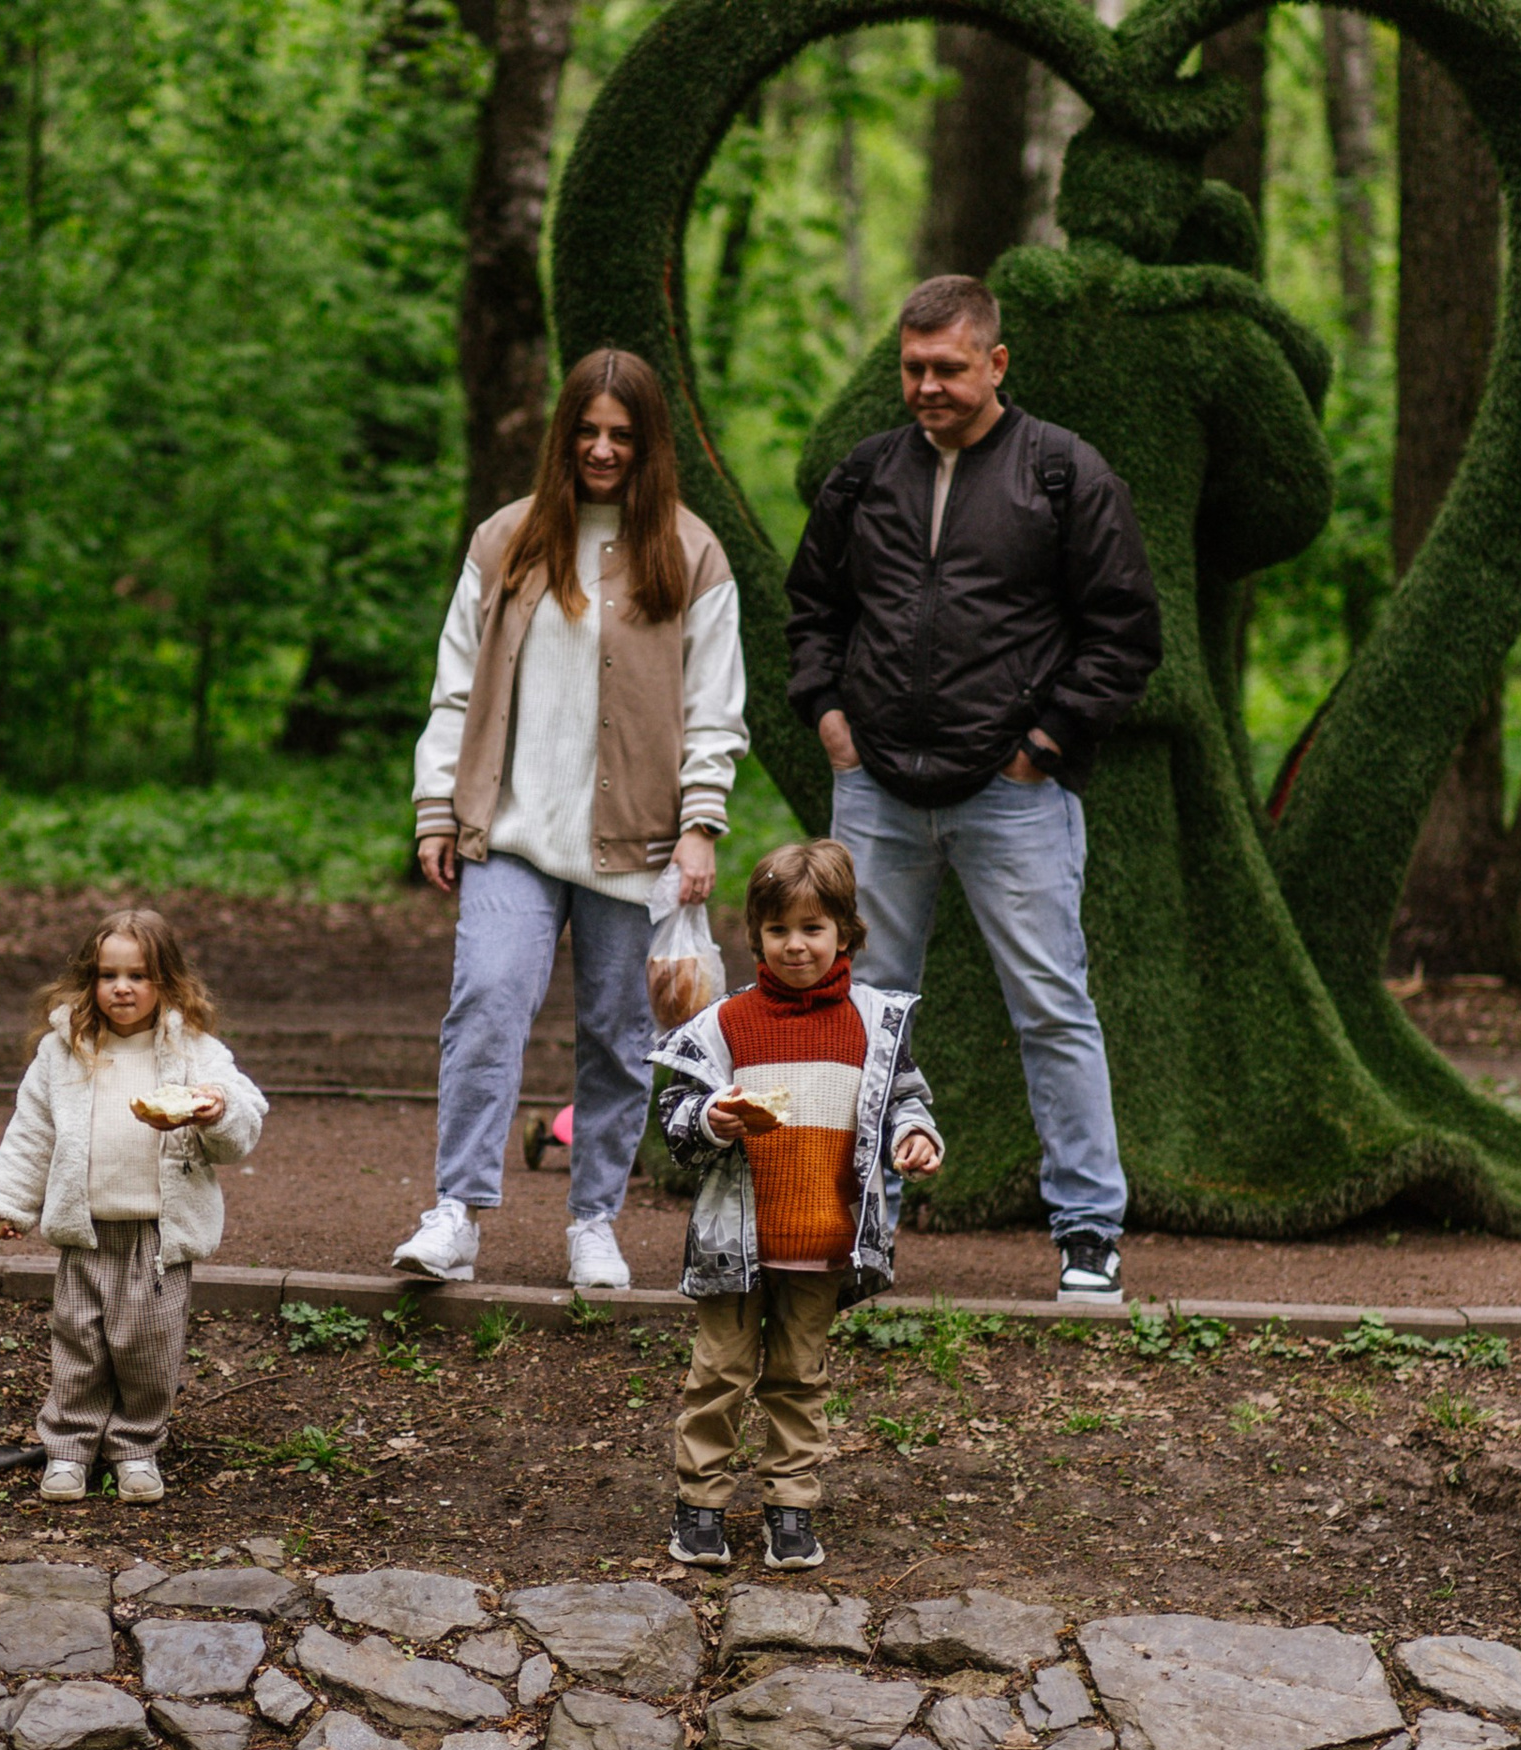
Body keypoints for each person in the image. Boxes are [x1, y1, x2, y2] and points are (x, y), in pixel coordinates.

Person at [786, 271, 1161, 1304]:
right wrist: (828, 718)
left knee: (1050, 1004)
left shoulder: (1062, 475)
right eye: (912, 366)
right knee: (860, 1011)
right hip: (876, 793)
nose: (926, 386)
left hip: (1013, 797)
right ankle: (863, 1224)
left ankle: (1088, 1233)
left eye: (947, 367)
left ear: (995, 363)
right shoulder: (864, 477)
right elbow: (810, 610)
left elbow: (1125, 633)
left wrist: (1038, 746)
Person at [398, 345, 749, 1292]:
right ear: (564, 435)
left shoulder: (691, 550)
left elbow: (717, 704)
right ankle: (457, 1213)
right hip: (510, 834)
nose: (601, 450)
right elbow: (453, 688)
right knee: (486, 1005)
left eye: (621, 436)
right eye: (587, 432)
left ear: (648, 445)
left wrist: (701, 823)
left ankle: (594, 1219)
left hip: (634, 844)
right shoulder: (505, 540)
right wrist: (439, 808)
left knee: (618, 1035)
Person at [652, 839, 938, 1571]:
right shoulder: (727, 1023)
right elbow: (677, 1114)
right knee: (717, 1374)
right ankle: (701, 1505)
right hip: (736, 1240)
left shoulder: (874, 1023)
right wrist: (715, 1119)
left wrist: (914, 1136)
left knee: (799, 1377)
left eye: (812, 929)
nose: (796, 945)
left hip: (825, 1236)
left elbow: (903, 1099)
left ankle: (791, 1506)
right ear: (757, 936)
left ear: (847, 932)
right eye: (778, 930)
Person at [0, 909, 265, 1504]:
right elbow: (32, 1132)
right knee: (78, 1344)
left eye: (138, 974)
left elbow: (242, 1123)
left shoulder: (196, 1051)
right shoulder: (66, 1053)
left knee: (148, 1350)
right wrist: (8, 1203)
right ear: (90, 981)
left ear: (167, 982)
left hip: (158, 1239)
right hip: (87, 1233)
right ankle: (69, 1447)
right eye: (108, 975)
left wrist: (217, 1108)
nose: (122, 987)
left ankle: (135, 1445)